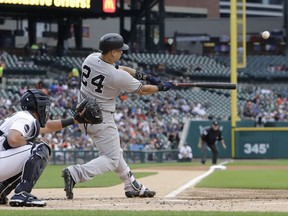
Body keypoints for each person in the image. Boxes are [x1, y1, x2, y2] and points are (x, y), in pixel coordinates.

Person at [62, 32, 173, 199]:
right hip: (102, 119)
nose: (122, 53)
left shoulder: (91, 58)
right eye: (120, 50)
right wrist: (161, 87)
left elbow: (122, 69)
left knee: (115, 153)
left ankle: (132, 185)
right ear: (113, 52)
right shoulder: (116, 76)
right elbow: (142, 90)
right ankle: (76, 173)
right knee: (111, 159)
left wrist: (148, 77)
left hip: (82, 116)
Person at [0, 89, 84, 207]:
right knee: (40, 148)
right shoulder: (26, 117)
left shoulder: (24, 117)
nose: (46, 109)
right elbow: (13, 139)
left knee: (31, 153)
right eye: (44, 106)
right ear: (38, 106)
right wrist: (31, 143)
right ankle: (22, 193)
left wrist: (74, 120)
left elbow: (48, 126)